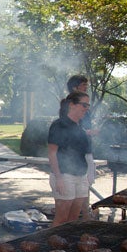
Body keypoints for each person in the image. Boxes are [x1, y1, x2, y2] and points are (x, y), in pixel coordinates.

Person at [48, 91, 92, 227]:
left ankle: (66, 247)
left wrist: (89, 173)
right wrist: (59, 178)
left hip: (80, 175)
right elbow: (52, 153)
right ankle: (53, 247)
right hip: (64, 175)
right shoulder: (59, 125)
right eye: (84, 105)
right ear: (72, 105)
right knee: (61, 219)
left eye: (88, 106)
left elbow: (84, 153)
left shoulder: (80, 127)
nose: (86, 109)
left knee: (72, 220)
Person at [66, 75, 97, 220]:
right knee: (80, 183)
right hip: (75, 153)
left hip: (86, 149)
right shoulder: (70, 105)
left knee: (84, 184)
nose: (86, 87)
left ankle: (85, 214)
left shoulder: (84, 106)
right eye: (83, 84)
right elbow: (68, 128)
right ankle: (84, 215)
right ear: (75, 87)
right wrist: (88, 132)